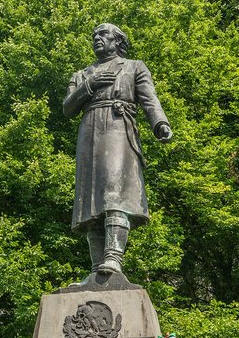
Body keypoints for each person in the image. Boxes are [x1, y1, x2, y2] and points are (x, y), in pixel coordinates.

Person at [62, 22, 172, 277]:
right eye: (94, 35)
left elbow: (149, 99)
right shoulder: (82, 74)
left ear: (118, 41)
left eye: (103, 34)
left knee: (114, 193)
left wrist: (160, 123)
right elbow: (67, 109)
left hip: (118, 128)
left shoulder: (134, 66)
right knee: (90, 203)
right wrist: (90, 85)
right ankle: (97, 268)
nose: (97, 38)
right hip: (89, 132)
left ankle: (113, 257)